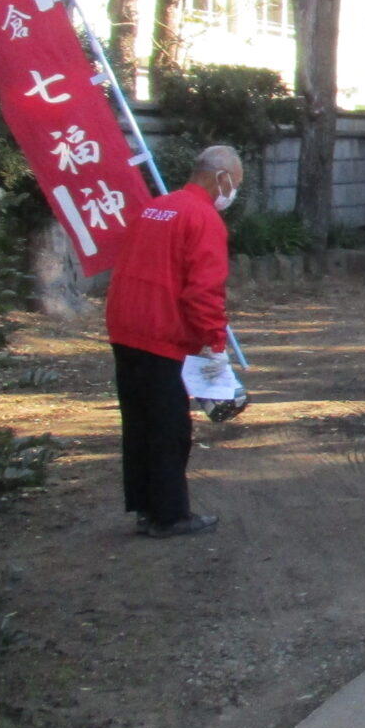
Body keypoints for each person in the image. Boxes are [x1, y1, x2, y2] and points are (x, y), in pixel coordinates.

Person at [105, 145, 241, 538]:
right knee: (168, 427)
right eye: (235, 184)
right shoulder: (203, 218)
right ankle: (169, 514)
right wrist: (214, 342)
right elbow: (204, 290)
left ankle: (145, 507)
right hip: (160, 330)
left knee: (138, 423)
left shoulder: (156, 207)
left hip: (125, 324)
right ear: (222, 178)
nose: (233, 193)